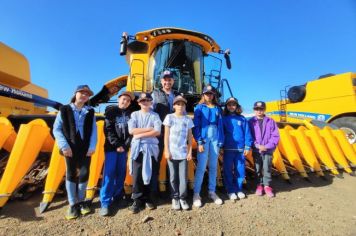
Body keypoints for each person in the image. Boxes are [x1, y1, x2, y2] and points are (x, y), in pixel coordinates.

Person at [53, 85, 97, 220]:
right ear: (75, 94)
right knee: (71, 173)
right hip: (69, 148)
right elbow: (57, 129)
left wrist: (92, 146)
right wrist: (64, 146)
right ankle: (73, 204)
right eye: (82, 92)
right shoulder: (64, 109)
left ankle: (82, 201)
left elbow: (94, 131)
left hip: (85, 148)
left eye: (87, 94)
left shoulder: (90, 112)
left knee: (84, 173)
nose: (84, 95)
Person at [99, 91, 134, 216]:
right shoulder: (111, 112)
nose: (125, 102)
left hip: (123, 149)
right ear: (119, 99)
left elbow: (131, 132)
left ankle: (118, 196)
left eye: (128, 101)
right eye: (123, 99)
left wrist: (125, 145)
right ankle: (105, 202)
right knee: (109, 175)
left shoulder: (130, 115)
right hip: (111, 149)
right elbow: (108, 130)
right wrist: (117, 145)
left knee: (121, 173)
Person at [128, 92, 162, 213]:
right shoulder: (134, 114)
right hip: (138, 148)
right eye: (143, 101)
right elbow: (132, 130)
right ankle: (137, 199)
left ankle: (149, 198)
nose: (145, 102)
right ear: (138, 103)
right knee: (137, 174)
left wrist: (140, 135)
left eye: (147, 100)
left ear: (151, 102)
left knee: (151, 173)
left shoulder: (155, 115)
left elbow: (157, 131)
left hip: (151, 149)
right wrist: (149, 129)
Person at [192, 85, 224, 208]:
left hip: (215, 138)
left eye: (211, 93)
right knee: (201, 166)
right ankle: (196, 193)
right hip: (204, 139)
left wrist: (221, 141)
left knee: (213, 166)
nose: (209, 95)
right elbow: (196, 125)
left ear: (213, 95)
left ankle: (212, 191)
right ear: (203, 95)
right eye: (206, 93)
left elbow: (220, 125)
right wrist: (199, 141)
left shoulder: (217, 108)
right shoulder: (199, 108)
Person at [151, 70, 180, 195]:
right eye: (165, 79)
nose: (167, 81)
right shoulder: (154, 94)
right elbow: (150, 112)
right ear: (161, 81)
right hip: (160, 133)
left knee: (174, 161)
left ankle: (173, 192)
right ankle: (153, 191)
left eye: (170, 79)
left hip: (175, 133)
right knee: (155, 161)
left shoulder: (178, 95)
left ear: (173, 81)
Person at [163, 95, 194, 211]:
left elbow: (190, 138)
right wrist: (167, 150)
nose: (180, 106)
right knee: (172, 177)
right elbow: (166, 136)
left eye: (182, 104)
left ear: (185, 106)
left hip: (183, 153)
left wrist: (190, 152)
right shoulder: (169, 117)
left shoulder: (188, 119)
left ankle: (182, 198)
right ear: (174, 105)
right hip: (171, 152)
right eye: (178, 104)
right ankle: (174, 198)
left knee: (183, 177)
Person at [222, 97, 253, 200]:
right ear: (226, 106)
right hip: (228, 149)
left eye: (233, 104)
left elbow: (247, 133)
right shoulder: (223, 119)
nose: (231, 106)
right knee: (228, 170)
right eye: (229, 105)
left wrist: (247, 146)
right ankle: (230, 190)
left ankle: (238, 189)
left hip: (240, 149)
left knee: (240, 170)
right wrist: (221, 145)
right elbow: (221, 133)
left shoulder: (242, 119)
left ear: (237, 106)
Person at [248, 101, 280, 197]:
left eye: (261, 109)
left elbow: (275, 136)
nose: (259, 111)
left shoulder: (271, 121)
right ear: (254, 110)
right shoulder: (250, 122)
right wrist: (257, 146)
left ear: (264, 110)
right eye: (257, 109)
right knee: (257, 168)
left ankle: (267, 186)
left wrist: (266, 146)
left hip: (268, 150)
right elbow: (249, 136)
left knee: (267, 168)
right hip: (256, 150)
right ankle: (259, 185)